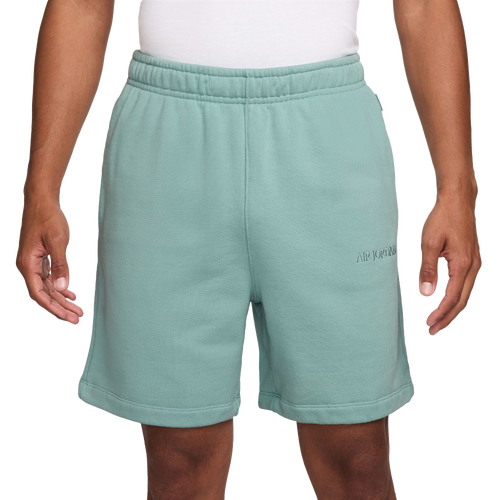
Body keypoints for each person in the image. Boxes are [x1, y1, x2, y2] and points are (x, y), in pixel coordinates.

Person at [14, 0, 482, 499]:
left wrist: (458, 187)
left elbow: (425, 6)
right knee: (178, 463)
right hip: (168, 149)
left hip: (327, 136)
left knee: (356, 455)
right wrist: (41, 187)